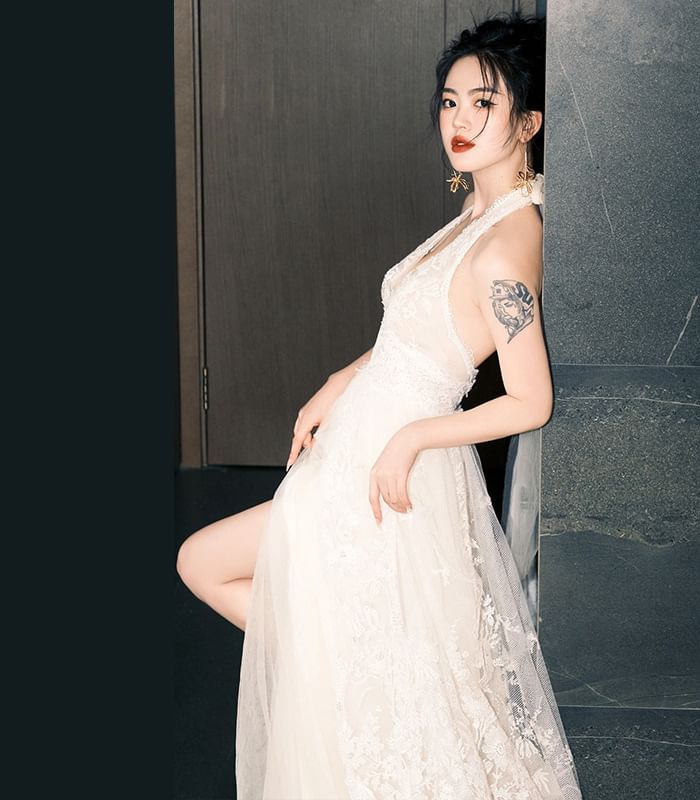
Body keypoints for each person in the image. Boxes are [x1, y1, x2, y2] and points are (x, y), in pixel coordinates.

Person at [177, 10, 583, 800]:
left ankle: (361, 709)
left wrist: (414, 437)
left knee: (204, 562)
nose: (460, 120)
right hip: (355, 451)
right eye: (450, 101)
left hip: (393, 480)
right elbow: (420, 335)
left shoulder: (507, 245)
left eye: (485, 103)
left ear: (528, 122)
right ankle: (358, 706)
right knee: (321, 622)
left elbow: (531, 400)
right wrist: (343, 376)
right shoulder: (476, 214)